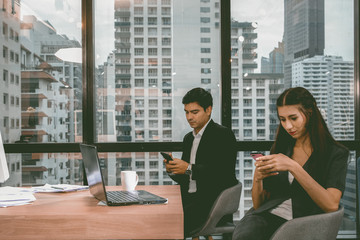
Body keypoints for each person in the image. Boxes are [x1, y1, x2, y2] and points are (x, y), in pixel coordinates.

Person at [233, 87, 349, 240]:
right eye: (283, 119)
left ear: (310, 113)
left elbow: (331, 205)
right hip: (265, 220)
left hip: (301, 224)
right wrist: (257, 178)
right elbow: (259, 204)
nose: (288, 126)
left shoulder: (335, 153)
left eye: (293, 118)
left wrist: (294, 167)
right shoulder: (281, 148)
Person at [164, 87, 238, 239]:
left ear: (208, 110)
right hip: (189, 199)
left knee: (165, 223)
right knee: (156, 213)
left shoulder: (223, 135)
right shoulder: (188, 139)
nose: (189, 117)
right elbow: (186, 178)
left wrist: (188, 169)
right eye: (186, 112)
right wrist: (173, 169)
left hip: (210, 204)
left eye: (195, 112)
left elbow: (223, 175)